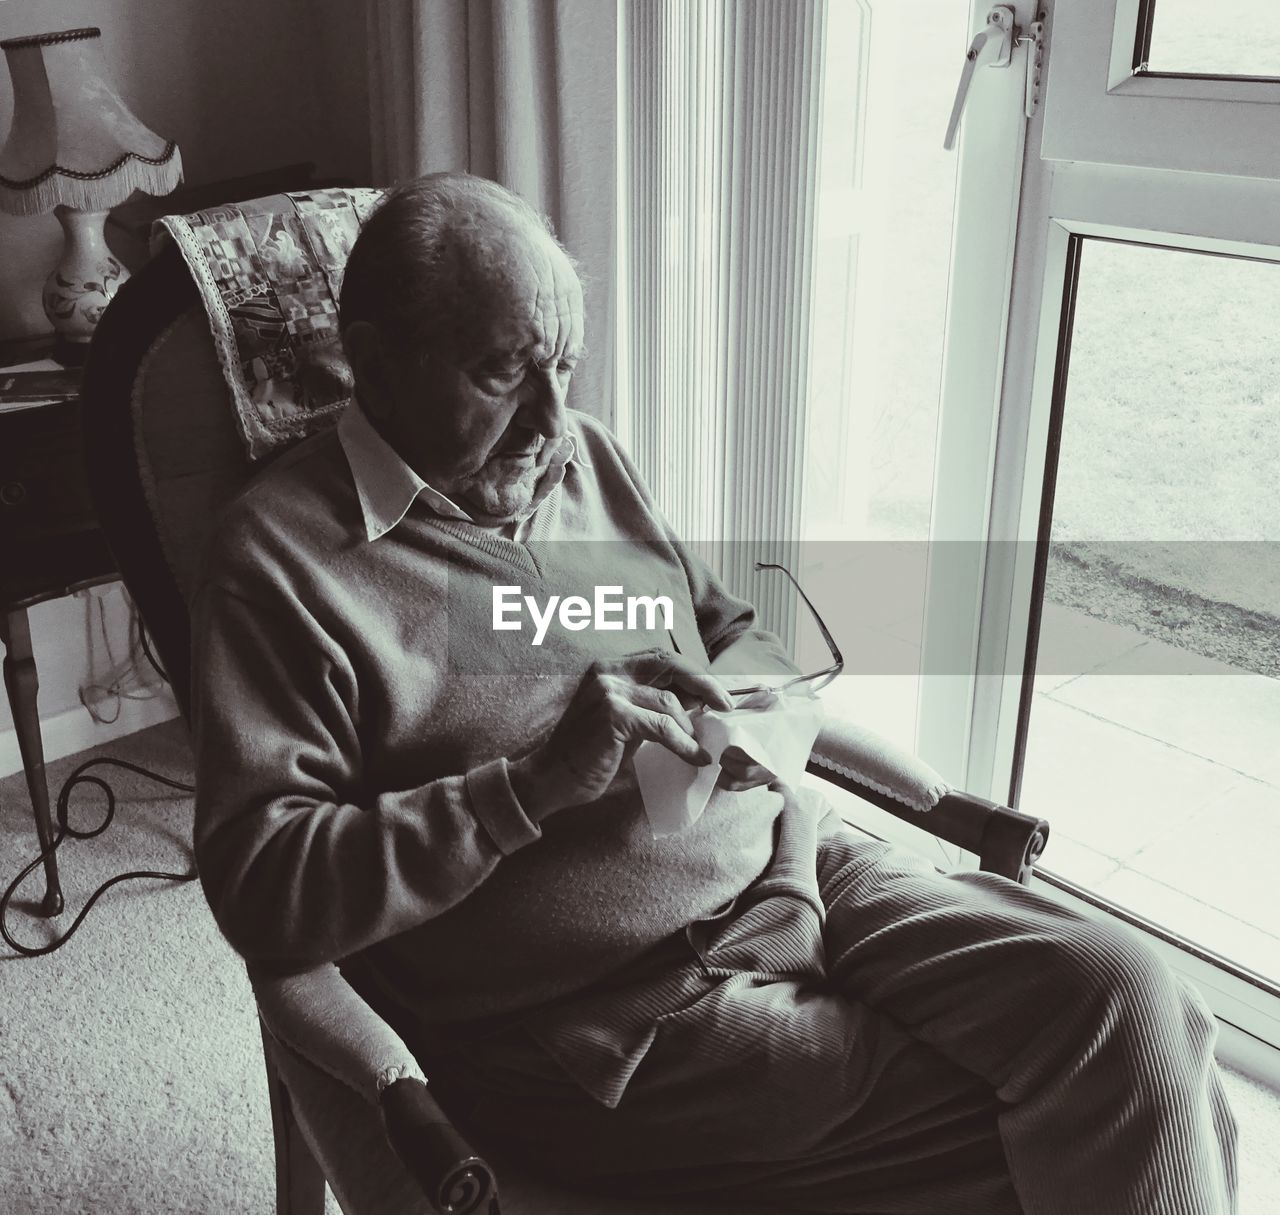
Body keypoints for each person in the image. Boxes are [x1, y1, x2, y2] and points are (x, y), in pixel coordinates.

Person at [192, 173, 1238, 1215]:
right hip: (597, 1019)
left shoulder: (579, 459)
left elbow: (728, 628)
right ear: (374, 361)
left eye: (564, 364)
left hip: (789, 862)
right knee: (1057, 1123)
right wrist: (530, 788)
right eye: (503, 372)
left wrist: (744, 702)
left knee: (1133, 1006)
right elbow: (262, 888)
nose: (551, 416)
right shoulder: (282, 563)